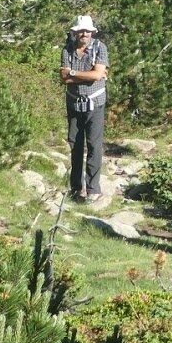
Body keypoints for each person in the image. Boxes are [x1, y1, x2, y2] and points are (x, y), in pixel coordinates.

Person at [60, 15, 109, 204]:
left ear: (92, 32)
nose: (84, 34)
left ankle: (93, 189)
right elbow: (64, 78)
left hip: (95, 103)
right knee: (75, 145)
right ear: (75, 32)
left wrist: (73, 73)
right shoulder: (67, 49)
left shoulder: (100, 48)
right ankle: (75, 188)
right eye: (81, 31)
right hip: (73, 103)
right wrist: (88, 75)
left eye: (87, 31)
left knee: (94, 145)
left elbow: (97, 75)